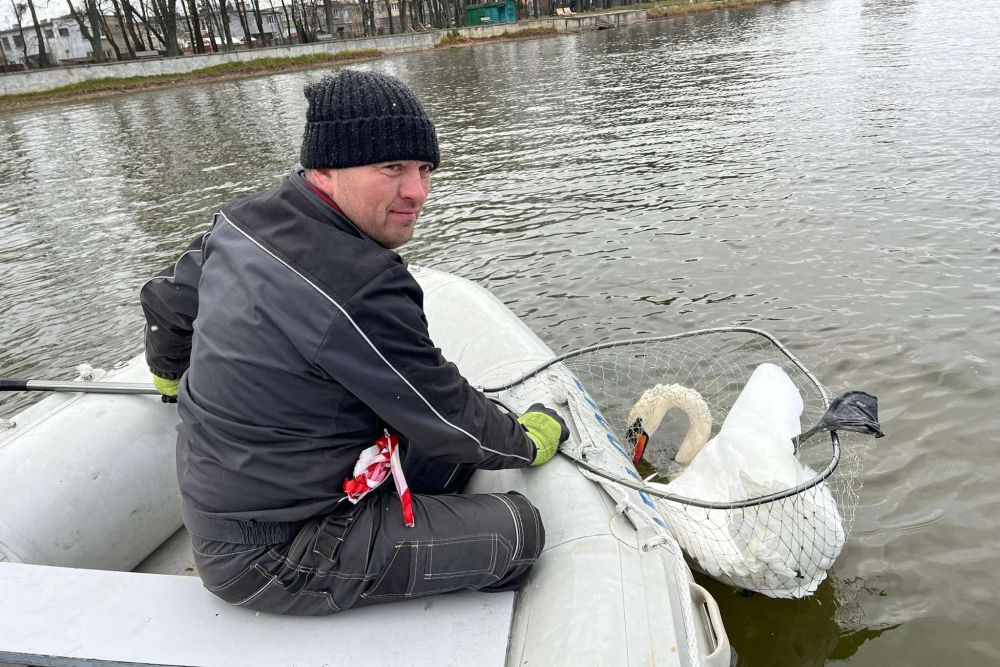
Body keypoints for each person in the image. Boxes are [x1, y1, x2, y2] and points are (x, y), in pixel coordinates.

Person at [139, 69, 569, 616]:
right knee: (519, 533)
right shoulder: (361, 284)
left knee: (445, 460)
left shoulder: (243, 221)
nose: (417, 192)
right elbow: (447, 411)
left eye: (424, 168)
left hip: (239, 506)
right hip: (274, 554)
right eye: (392, 168)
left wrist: (170, 379)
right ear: (325, 169)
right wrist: (527, 442)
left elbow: (166, 304)